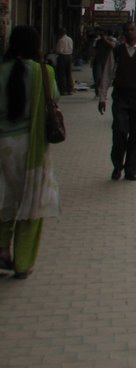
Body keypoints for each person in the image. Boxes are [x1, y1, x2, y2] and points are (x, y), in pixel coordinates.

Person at [0, 25, 60, 279]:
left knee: (4, 202)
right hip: (32, 149)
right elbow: (53, 100)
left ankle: (2, 251)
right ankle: (23, 263)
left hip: (3, 147)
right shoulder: (43, 73)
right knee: (31, 205)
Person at [97, 22, 136, 182]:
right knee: (119, 132)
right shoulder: (116, 51)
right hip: (121, 96)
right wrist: (102, 97)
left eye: (132, 30)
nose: (130, 33)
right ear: (123, 33)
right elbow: (107, 75)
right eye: (127, 30)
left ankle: (131, 170)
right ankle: (117, 166)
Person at [90, 29, 114, 97]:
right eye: (101, 35)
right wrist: (92, 60)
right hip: (98, 61)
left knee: (105, 78)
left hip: (106, 62)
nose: (102, 36)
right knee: (97, 77)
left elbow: (112, 46)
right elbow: (95, 51)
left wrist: (105, 40)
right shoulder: (98, 42)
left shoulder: (110, 41)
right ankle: (97, 91)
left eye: (103, 35)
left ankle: (103, 92)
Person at [54, 27, 74, 95]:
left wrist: (55, 52)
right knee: (69, 73)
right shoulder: (70, 39)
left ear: (61, 33)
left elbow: (59, 50)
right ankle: (70, 89)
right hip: (69, 56)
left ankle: (63, 90)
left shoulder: (61, 40)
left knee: (61, 73)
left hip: (62, 57)